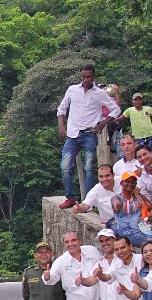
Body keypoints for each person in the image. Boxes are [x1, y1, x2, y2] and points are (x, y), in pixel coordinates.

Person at [57, 65, 121, 208]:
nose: (86, 79)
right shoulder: (72, 90)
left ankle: (87, 201)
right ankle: (70, 197)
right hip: (72, 134)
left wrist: (103, 123)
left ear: (94, 77)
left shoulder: (99, 93)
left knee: (89, 167)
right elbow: (61, 109)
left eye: (88, 77)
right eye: (83, 76)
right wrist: (62, 126)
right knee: (65, 166)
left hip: (89, 133)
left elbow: (116, 109)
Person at [111, 171, 152, 249]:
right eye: (127, 181)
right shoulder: (117, 198)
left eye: (133, 182)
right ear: (121, 183)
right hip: (128, 234)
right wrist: (117, 205)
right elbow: (115, 202)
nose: (130, 184)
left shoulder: (139, 197)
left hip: (144, 230)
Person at [73, 164, 121, 229]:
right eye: (101, 176)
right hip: (112, 222)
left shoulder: (123, 181)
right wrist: (78, 208)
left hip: (129, 217)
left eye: (107, 175)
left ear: (113, 175)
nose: (104, 179)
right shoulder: (96, 190)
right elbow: (85, 205)